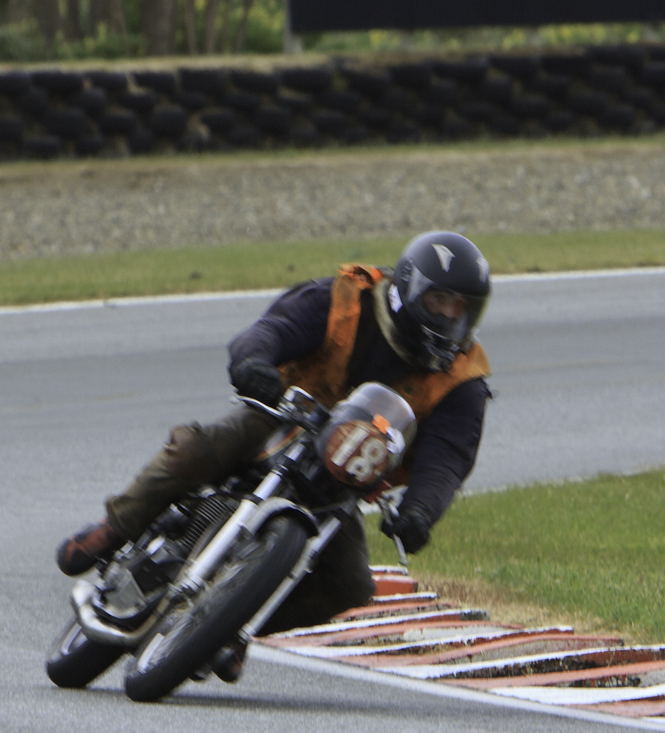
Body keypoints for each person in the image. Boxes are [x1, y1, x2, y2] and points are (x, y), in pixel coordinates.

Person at [56, 230, 493, 676]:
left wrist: (421, 511)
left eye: (461, 307)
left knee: (351, 586)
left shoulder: (463, 380)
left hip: (340, 484)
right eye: (439, 300)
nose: (448, 315)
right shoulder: (345, 299)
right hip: (281, 417)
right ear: (407, 290)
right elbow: (271, 330)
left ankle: (228, 625)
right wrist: (254, 363)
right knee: (196, 447)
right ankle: (113, 528)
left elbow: (449, 458)